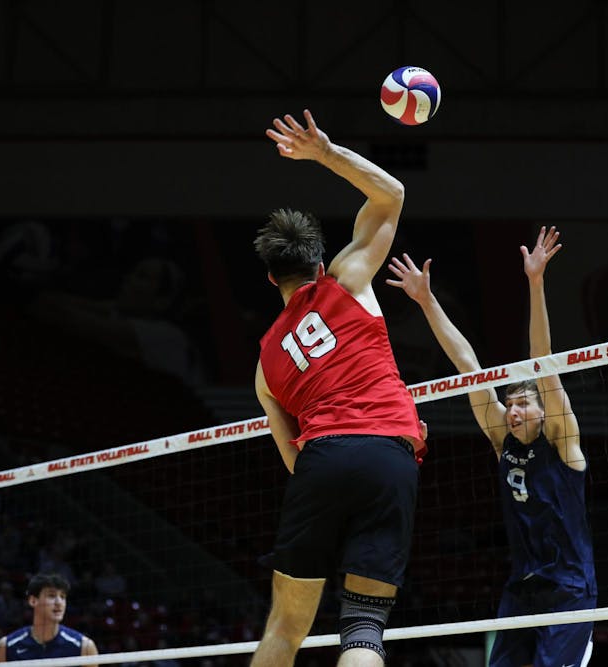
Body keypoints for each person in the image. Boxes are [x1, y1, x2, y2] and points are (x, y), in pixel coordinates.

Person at [251, 109, 427, 667]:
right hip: (390, 454)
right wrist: (325, 152)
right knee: (363, 629)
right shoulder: (348, 280)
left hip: (322, 457)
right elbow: (392, 194)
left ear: (271, 279)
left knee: (284, 628)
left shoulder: (264, 364)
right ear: (320, 263)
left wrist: (324, 481)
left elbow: (289, 452)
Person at [386, 226, 596, 667]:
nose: (513, 411)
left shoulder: (561, 439)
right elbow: (467, 365)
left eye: (522, 404)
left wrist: (535, 283)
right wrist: (427, 301)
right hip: (521, 586)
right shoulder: (502, 439)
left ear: (543, 410)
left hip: (569, 588)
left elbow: (544, 359)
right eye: (510, 404)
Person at [0, 572, 98, 664]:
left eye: (63, 597)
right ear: (33, 601)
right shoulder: (5, 647)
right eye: (51, 596)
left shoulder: (84, 647)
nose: (59, 603)